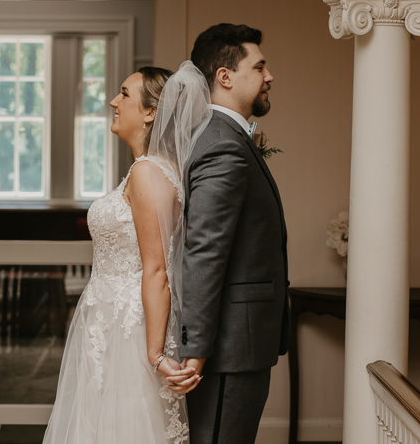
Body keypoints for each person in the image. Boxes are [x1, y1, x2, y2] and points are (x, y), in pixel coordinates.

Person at [43, 63, 212, 444]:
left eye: (123, 94)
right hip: (109, 322)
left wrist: (153, 353)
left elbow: (157, 270)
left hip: (128, 331)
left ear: (151, 112)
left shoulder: (148, 173)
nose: (112, 101)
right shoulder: (153, 170)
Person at [179, 23, 291, 444]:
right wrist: (196, 347)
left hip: (238, 342)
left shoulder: (225, 137)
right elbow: (204, 249)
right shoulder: (222, 143)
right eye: (259, 66)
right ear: (225, 76)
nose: (269, 76)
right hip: (226, 346)